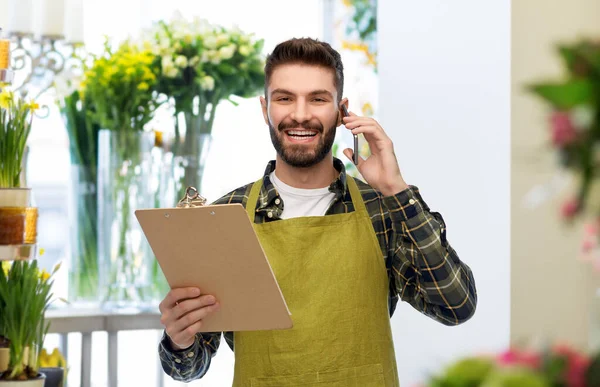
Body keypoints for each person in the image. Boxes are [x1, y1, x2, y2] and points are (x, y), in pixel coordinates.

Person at [157, 37, 477, 386]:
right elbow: (187, 368)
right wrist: (180, 338)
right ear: (265, 109)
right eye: (284, 98)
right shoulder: (224, 217)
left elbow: (455, 305)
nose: (300, 114)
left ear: (342, 112)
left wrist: (397, 191)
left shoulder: (381, 209)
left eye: (318, 99)